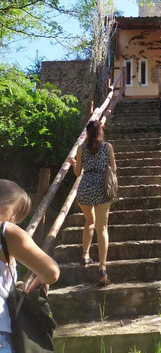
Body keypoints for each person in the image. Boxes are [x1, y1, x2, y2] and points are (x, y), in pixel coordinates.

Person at [0, 179, 60, 353]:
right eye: (16, 215)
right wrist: (38, 281)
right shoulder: (6, 231)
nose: (14, 220)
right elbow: (51, 272)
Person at [68, 120, 116, 286]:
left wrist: (74, 163)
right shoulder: (107, 147)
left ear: (87, 133)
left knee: (89, 221)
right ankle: (102, 267)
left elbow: (77, 172)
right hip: (102, 187)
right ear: (100, 131)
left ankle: (85, 255)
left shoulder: (81, 148)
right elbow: (114, 169)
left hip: (85, 187)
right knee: (102, 228)